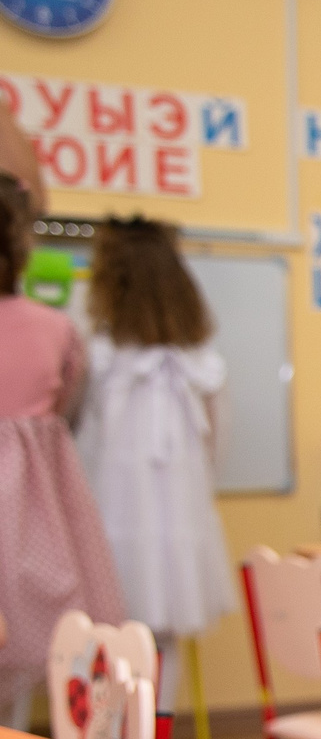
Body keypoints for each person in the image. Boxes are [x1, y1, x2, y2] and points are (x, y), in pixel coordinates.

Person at [75, 217, 236, 650]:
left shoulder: (99, 357)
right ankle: (152, 718)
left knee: (106, 640)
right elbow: (215, 449)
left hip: (112, 515)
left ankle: (125, 720)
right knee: (162, 643)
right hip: (177, 520)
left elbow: (73, 438)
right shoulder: (200, 363)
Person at [0, 177, 122, 734]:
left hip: (30, 512)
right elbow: (67, 411)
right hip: (36, 514)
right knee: (38, 647)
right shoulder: (56, 329)